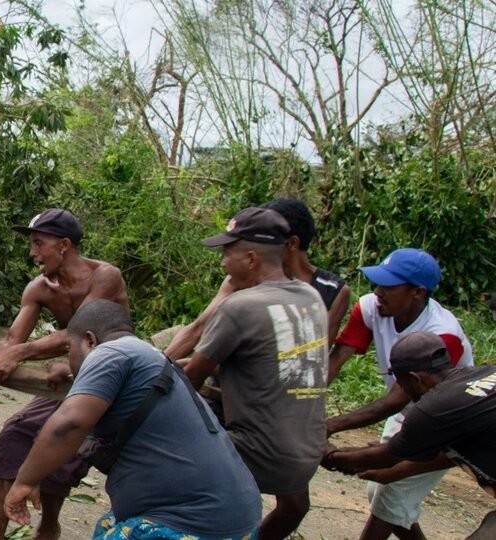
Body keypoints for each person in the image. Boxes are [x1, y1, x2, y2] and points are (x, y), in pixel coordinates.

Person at [5, 300, 262, 539]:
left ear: (90, 341)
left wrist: (25, 481)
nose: (70, 360)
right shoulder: (150, 357)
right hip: (236, 517)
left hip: (196, 524)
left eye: (69, 349)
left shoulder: (111, 352)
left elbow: (69, 424)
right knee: (107, 524)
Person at [180, 207, 329, 540]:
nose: (222, 263)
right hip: (306, 455)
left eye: (226, 253)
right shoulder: (313, 297)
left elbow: (190, 380)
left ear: (250, 259)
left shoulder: (240, 306)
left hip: (258, 456)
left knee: (152, 462)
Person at [0, 208, 128, 540]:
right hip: (73, 380)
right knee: (16, 433)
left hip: (110, 378)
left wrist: (21, 352)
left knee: (63, 451)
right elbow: (10, 338)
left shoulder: (106, 276)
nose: (32, 253)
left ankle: (48, 527)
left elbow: (80, 330)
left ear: (64, 245)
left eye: (38, 243)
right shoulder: (40, 288)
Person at [324, 248, 473, 540]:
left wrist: (330, 426)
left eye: (389, 286)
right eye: (377, 283)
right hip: (414, 413)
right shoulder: (370, 308)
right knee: (380, 493)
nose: (378, 291)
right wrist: (305, 401)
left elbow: (396, 399)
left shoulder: (443, 335)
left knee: (390, 494)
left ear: (417, 292)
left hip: (446, 424)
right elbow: (338, 358)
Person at [323, 332, 495, 540]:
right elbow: (451, 453)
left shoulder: (433, 407)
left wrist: (330, 455)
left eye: (402, 385)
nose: (403, 391)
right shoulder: (484, 373)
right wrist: (396, 463)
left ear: (415, 379)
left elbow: (383, 458)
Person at [165, 197, 351, 360]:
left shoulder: (332, 291)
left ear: (292, 243)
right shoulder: (239, 280)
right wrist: (159, 370)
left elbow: (312, 357)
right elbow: (198, 329)